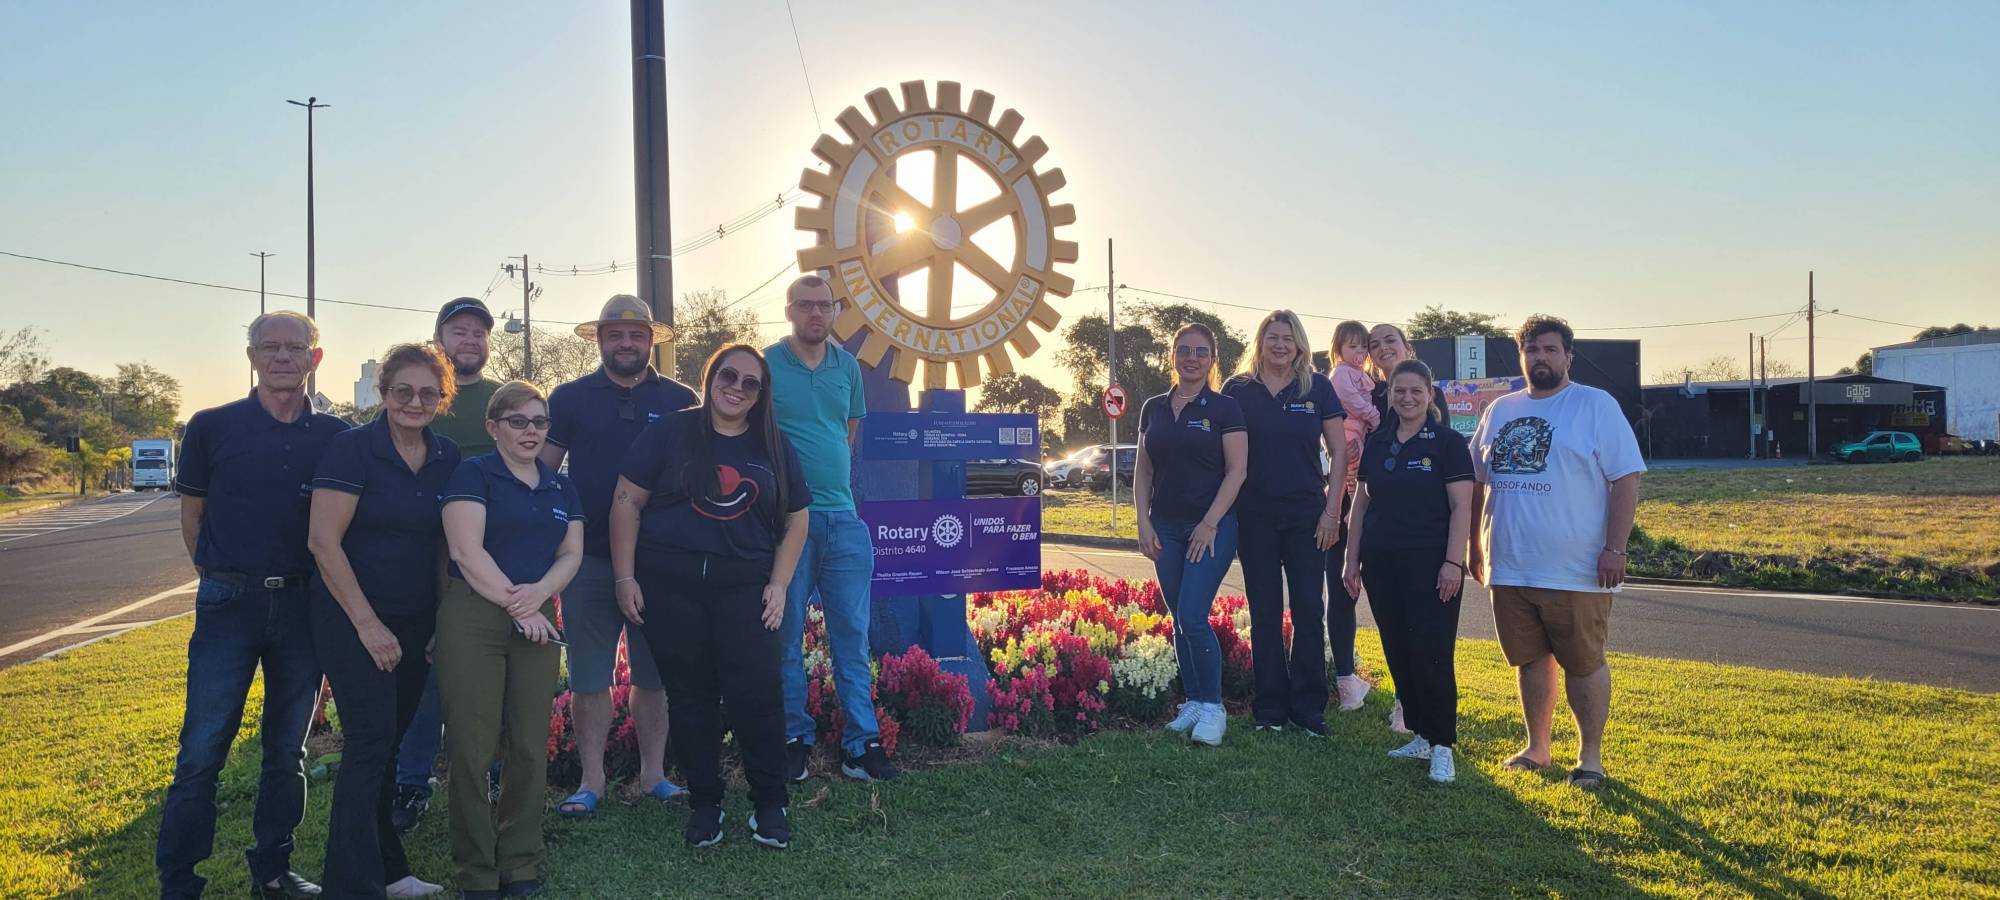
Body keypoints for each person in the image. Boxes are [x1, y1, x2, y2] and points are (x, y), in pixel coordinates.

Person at [158, 311, 346, 900]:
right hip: (228, 603)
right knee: (201, 750)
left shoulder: (336, 436)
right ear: (251, 356)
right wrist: (220, 573)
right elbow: (194, 517)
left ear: (316, 358)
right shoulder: (211, 426)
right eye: (270, 347)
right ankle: (180, 880)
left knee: (286, 752)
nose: (283, 357)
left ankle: (273, 869)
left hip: (302, 607)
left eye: (296, 347)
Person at [611, 345, 811, 849]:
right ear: (710, 377)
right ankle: (705, 802)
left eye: (751, 383)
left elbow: (797, 519)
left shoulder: (773, 444)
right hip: (670, 588)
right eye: (729, 375)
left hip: (745, 588)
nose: (737, 388)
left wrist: (780, 584)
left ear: (761, 394)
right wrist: (625, 577)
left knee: (757, 697)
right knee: (691, 697)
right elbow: (626, 501)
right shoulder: (670, 432)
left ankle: (770, 803)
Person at [306, 344, 460, 898]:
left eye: (427, 393)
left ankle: (390, 872)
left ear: (442, 399)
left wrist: (442, 620)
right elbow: (323, 542)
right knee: (371, 741)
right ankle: (349, 886)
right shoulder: (352, 450)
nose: (414, 402)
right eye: (403, 391)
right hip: (352, 618)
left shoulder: (445, 458)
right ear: (383, 392)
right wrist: (369, 626)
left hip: (417, 619)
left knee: (390, 744)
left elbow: (445, 548)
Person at [1469, 315, 1645, 790]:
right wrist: (1474, 546)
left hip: (1576, 568)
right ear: (1521, 355)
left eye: (1550, 349)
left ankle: (1590, 758)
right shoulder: (1499, 411)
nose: (1540, 358)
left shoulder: (1594, 406)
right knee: (1529, 658)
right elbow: (1477, 485)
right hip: (1510, 565)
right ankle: (1537, 747)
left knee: (1583, 661)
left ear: (1568, 356)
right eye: (1532, 350)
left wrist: (1615, 548)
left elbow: (1626, 478)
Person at [540, 295, 698, 816]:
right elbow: (542, 473)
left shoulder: (682, 399)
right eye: (615, 334)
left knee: (654, 676)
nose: (625, 343)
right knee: (590, 677)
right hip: (587, 561)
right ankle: (591, 781)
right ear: (601, 339)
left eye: (635, 334)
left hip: (659, 563)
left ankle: (654, 775)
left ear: (651, 340)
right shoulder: (568, 398)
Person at [436, 382, 583, 898]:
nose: (531, 431)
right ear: (493, 427)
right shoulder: (474, 474)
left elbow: (570, 553)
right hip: (474, 614)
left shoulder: (560, 486)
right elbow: (465, 548)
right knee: (472, 749)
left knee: (527, 744)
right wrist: (519, 605)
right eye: (518, 421)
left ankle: (520, 860)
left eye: (539, 422)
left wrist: (539, 594)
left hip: (536, 615)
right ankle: (476, 870)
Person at [766, 276, 897, 782]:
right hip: (787, 523)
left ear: (835, 310)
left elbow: (846, 431)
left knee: (852, 638)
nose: (816, 314)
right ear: (790, 311)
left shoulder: (847, 367)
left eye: (824, 306)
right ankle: (794, 737)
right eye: (806, 305)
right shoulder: (768, 364)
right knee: (786, 637)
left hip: (844, 520)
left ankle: (860, 746)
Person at [391, 297, 501, 833]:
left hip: (496, 558)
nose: (470, 341)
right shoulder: (418, 397)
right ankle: (411, 784)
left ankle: (497, 776)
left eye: (479, 332)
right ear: (440, 339)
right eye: (459, 331)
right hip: (420, 556)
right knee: (427, 674)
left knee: (498, 673)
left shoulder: (501, 400)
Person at [1342, 359, 1474, 784]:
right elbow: (1361, 503)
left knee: (1432, 653)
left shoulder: (1448, 443)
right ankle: (1419, 732)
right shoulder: (1378, 442)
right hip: (1381, 563)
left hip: (1432, 566)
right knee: (1398, 650)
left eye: (1416, 391)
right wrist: (1351, 558)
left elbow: (1461, 507)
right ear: (1391, 394)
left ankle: (1442, 745)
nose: (1407, 398)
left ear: (1430, 395)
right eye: (1400, 391)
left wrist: (1454, 562)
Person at [1221, 311, 1345, 735]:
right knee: (1266, 613)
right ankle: (1270, 709)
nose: (1279, 345)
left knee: (1310, 610)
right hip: (1254, 517)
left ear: (1299, 344)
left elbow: (1340, 453)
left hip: (1308, 516)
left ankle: (1308, 709)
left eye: (1287, 338)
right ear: (1259, 342)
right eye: (1272, 337)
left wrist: (1333, 511)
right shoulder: (1237, 390)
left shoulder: (1318, 387)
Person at [1330, 322, 1449, 733]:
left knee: (1419, 621)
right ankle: (1369, 687)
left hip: (1419, 528)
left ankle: (1415, 706)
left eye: (1389, 341)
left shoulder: (1425, 396)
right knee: (1380, 615)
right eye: (1372, 343)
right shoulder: (1366, 391)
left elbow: (1446, 470)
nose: (1379, 348)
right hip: (1369, 519)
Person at [1135, 323, 1248, 746]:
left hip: (1212, 528)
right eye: (1184, 350)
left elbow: (1238, 470)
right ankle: (1196, 702)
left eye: (1201, 352)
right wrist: (1143, 521)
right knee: (1178, 618)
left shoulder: (1225, 409)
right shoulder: (1154, 408)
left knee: (1193, 615)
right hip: (1165, 527)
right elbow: (1144, 470)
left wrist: (1209, 522)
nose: (1192, 358)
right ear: (1172, 356)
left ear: (1212, 359)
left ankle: (1214, 708)